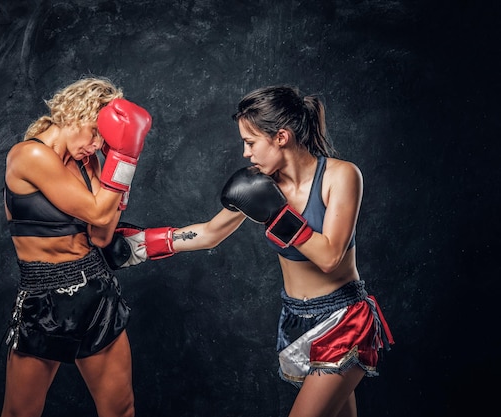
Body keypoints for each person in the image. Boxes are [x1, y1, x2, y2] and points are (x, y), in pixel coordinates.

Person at [103, 85, 394, 417]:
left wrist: (278, 214)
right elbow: (211, 233)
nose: (245, 153)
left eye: (251, 142)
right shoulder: (260, 183)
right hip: (296, 318)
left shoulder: (340, 176)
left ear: (281, 137)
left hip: (343, 319)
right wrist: (138, 246)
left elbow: (329, 257)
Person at [0, 76, 152, 417]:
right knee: (20, 414)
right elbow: (99, 209)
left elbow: (101, 234)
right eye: (96, 133)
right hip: (46, 299)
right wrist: (126, 158)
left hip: (96, 294)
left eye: (106, 139)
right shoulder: (29, 155)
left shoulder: (89, 163)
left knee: (121, 408)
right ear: (76, 114)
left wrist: (114, 168)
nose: (98, 145)